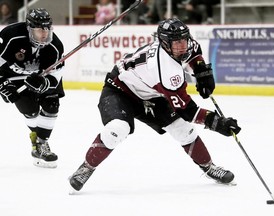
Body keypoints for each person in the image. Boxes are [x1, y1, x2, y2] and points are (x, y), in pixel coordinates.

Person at [69, 18, 241, 191]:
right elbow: (188, 111)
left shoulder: (183, 44)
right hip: (120, 90)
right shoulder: (166, 70)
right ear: (165, 44)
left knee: (184, 130)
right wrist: (217, 122)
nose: (182, 45)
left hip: (151, 94)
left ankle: (209, 167)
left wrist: (201, 71)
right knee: (118, 129)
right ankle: (86, 167)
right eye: (176, 42)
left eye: (184, 39)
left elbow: (195, 52)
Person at [0, 8, 65, 168]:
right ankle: (37, 141)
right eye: (39, 30)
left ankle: (40, 146)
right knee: (30, 111)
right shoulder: (11, 36)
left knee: (51, 106)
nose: (44, 34)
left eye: (46, 29)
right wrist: (1, 83)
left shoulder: (55, 46)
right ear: (29, 29)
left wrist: (45, 83)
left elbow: (56, 75)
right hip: (12, 77)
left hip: (39, 77)